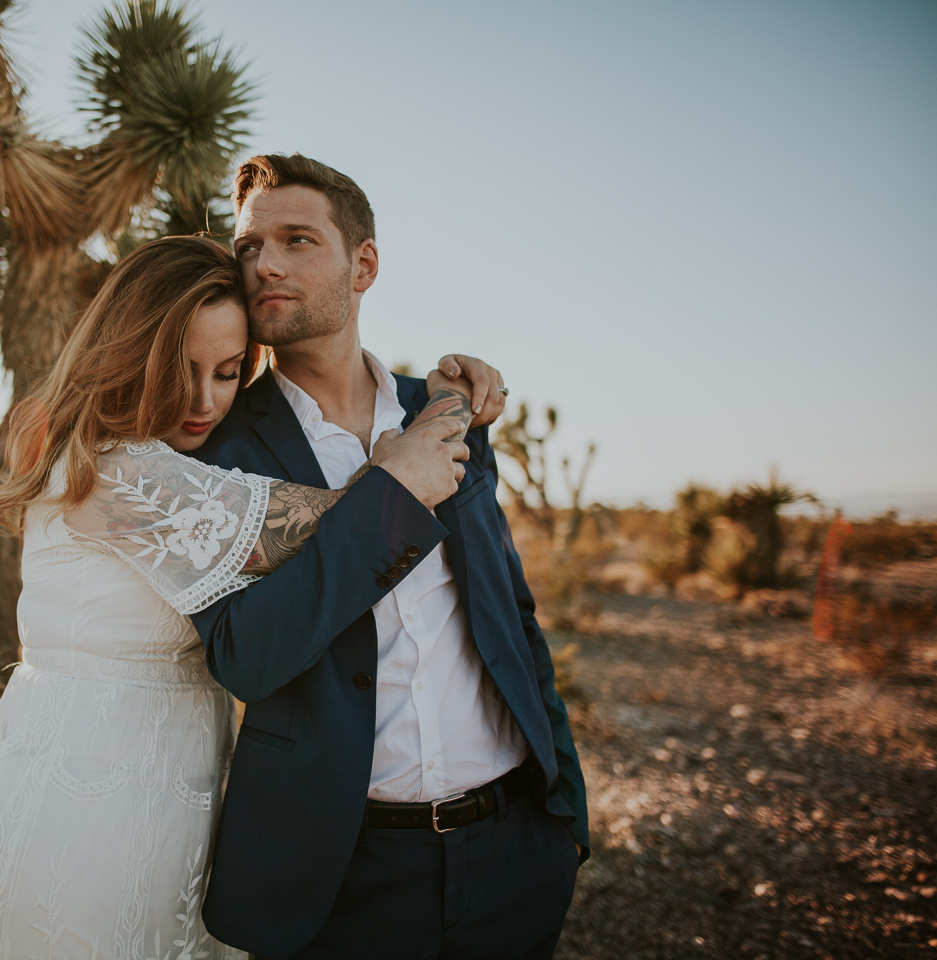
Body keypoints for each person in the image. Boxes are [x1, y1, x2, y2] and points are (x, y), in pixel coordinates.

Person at [0, 234, 499, 959]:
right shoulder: (115, 470)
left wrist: (439, 405)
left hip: (155, 789)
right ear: (127, 352)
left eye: (228, 373)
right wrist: (445, 407)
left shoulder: (124, 457)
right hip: (90, 806)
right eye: (180, 370)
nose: (202, 401)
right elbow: (348, 516)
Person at [188, 155, 591, 960]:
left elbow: (512, 615)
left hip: (517, 850)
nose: (264, 262)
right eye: (247, 247)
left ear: (362, 264)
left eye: (297, 239)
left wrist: (564, 812)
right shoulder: (216, 453)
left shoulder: (444, 411)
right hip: (341, 878)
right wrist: (390, 495)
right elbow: (245, 656)